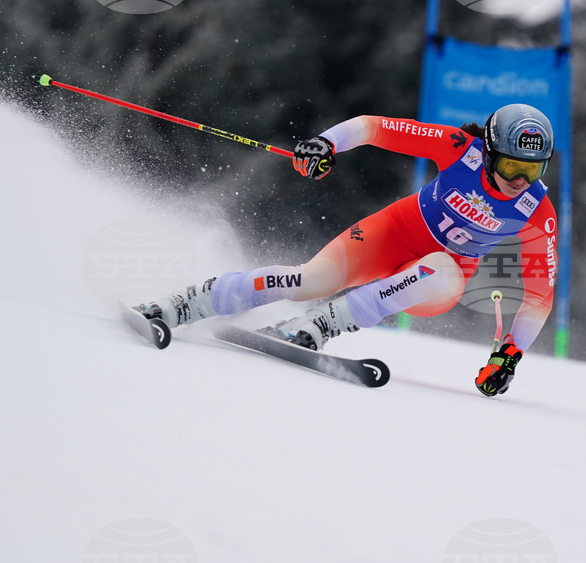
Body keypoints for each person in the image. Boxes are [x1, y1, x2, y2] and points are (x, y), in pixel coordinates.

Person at [135, 104, 558, 397]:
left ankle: (319, 327)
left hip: (436, 282)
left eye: (532, 170)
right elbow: (375, 127)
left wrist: (510, 353)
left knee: (442, 268)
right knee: (309, 280)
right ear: (488, 151)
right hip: (392, 232)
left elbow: (541, 296)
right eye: (511, 167)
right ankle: (183, 304)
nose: (520, 180)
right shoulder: (456, 148)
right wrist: (326, 144)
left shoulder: (537, 209)